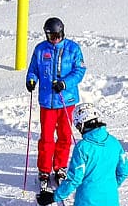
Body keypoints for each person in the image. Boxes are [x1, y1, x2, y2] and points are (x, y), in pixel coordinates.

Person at [26, 17, 87, 189]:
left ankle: (60, 167)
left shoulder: (72, 48)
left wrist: (64, 83)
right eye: (51, 36)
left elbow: (80, 70)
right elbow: (33, 69)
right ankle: (44, 170)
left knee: (65, 135)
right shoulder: (40, 49)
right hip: (47, 101)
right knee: (46, 137)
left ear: (62, 32)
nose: (54, 39)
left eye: (57, 35)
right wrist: (31, 80)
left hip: (66, 100)